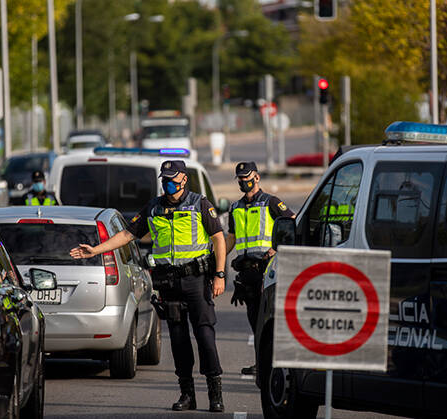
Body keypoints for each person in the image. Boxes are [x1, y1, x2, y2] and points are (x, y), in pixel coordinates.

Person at [69, 160, 227, 412]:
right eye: (164, 179)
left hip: (196, 280)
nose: (168, 183)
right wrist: (94, 251)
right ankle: (187, 394)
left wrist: (219, 275)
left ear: (184, 179)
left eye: (173, 178)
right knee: (178, 339)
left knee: (205, 336)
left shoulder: (199, 204)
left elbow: (219, 239)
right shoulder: (154, 207)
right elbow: (128, 234)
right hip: (169, 282)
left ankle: (214, 392)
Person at [226, 161, 294, 376]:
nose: (243, 181)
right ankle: (260, 363)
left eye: (247, 177)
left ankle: (275, 364)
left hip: (267, 270)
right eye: (240, 179)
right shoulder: (235, 208)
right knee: (255, 320)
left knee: (269, 321)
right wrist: (217, 260)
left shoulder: (271, 202)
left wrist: (277, 248)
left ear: (257, 177)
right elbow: (231, 238)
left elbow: (292, 224)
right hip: (247, 273)